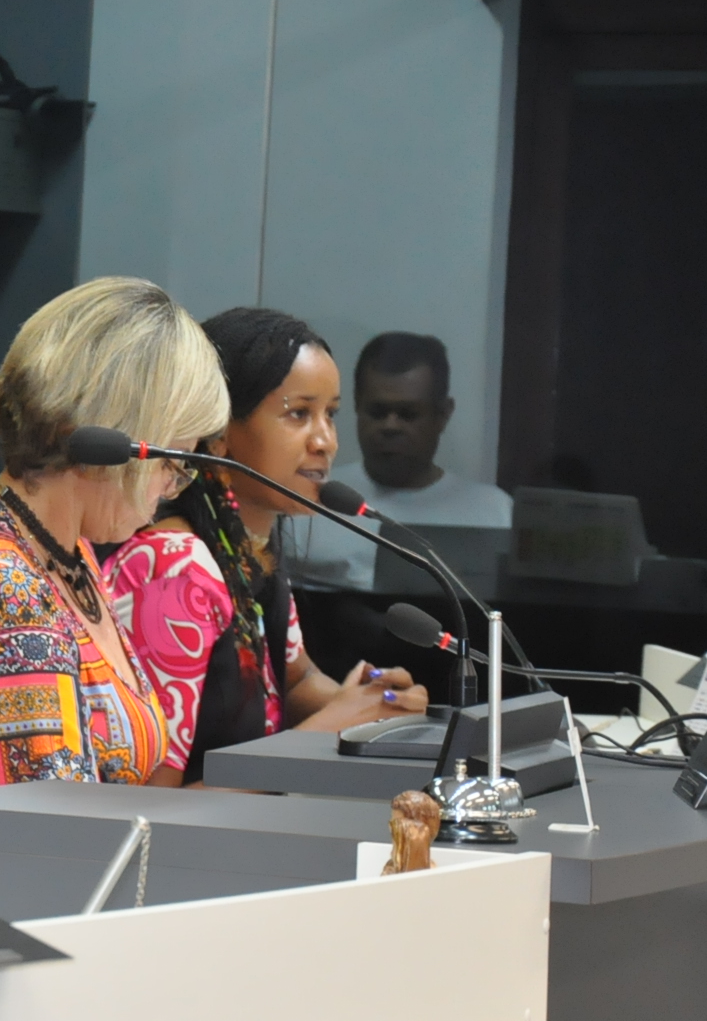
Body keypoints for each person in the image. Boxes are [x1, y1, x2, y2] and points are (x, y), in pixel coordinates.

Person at [0, 278, 226, 793]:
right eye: (174, 463)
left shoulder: (60, 549)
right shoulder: (4, 591)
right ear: (111, 443)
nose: (174, 488)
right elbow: (44, 840)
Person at [106, 308, 425, 787]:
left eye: (331, 414)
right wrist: (329, 727)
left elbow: (292, 681)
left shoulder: (247, 549)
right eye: (299, 414)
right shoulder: (176, 569)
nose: (326, 442)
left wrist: (375, 704)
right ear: (217, 433)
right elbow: (150, 808)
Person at [285, 331, 512, 592]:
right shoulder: (306, 500)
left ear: (443, 415)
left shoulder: (495, 514)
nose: (390, 426)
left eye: (408, 414)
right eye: (378, 412)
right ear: (358, 406)